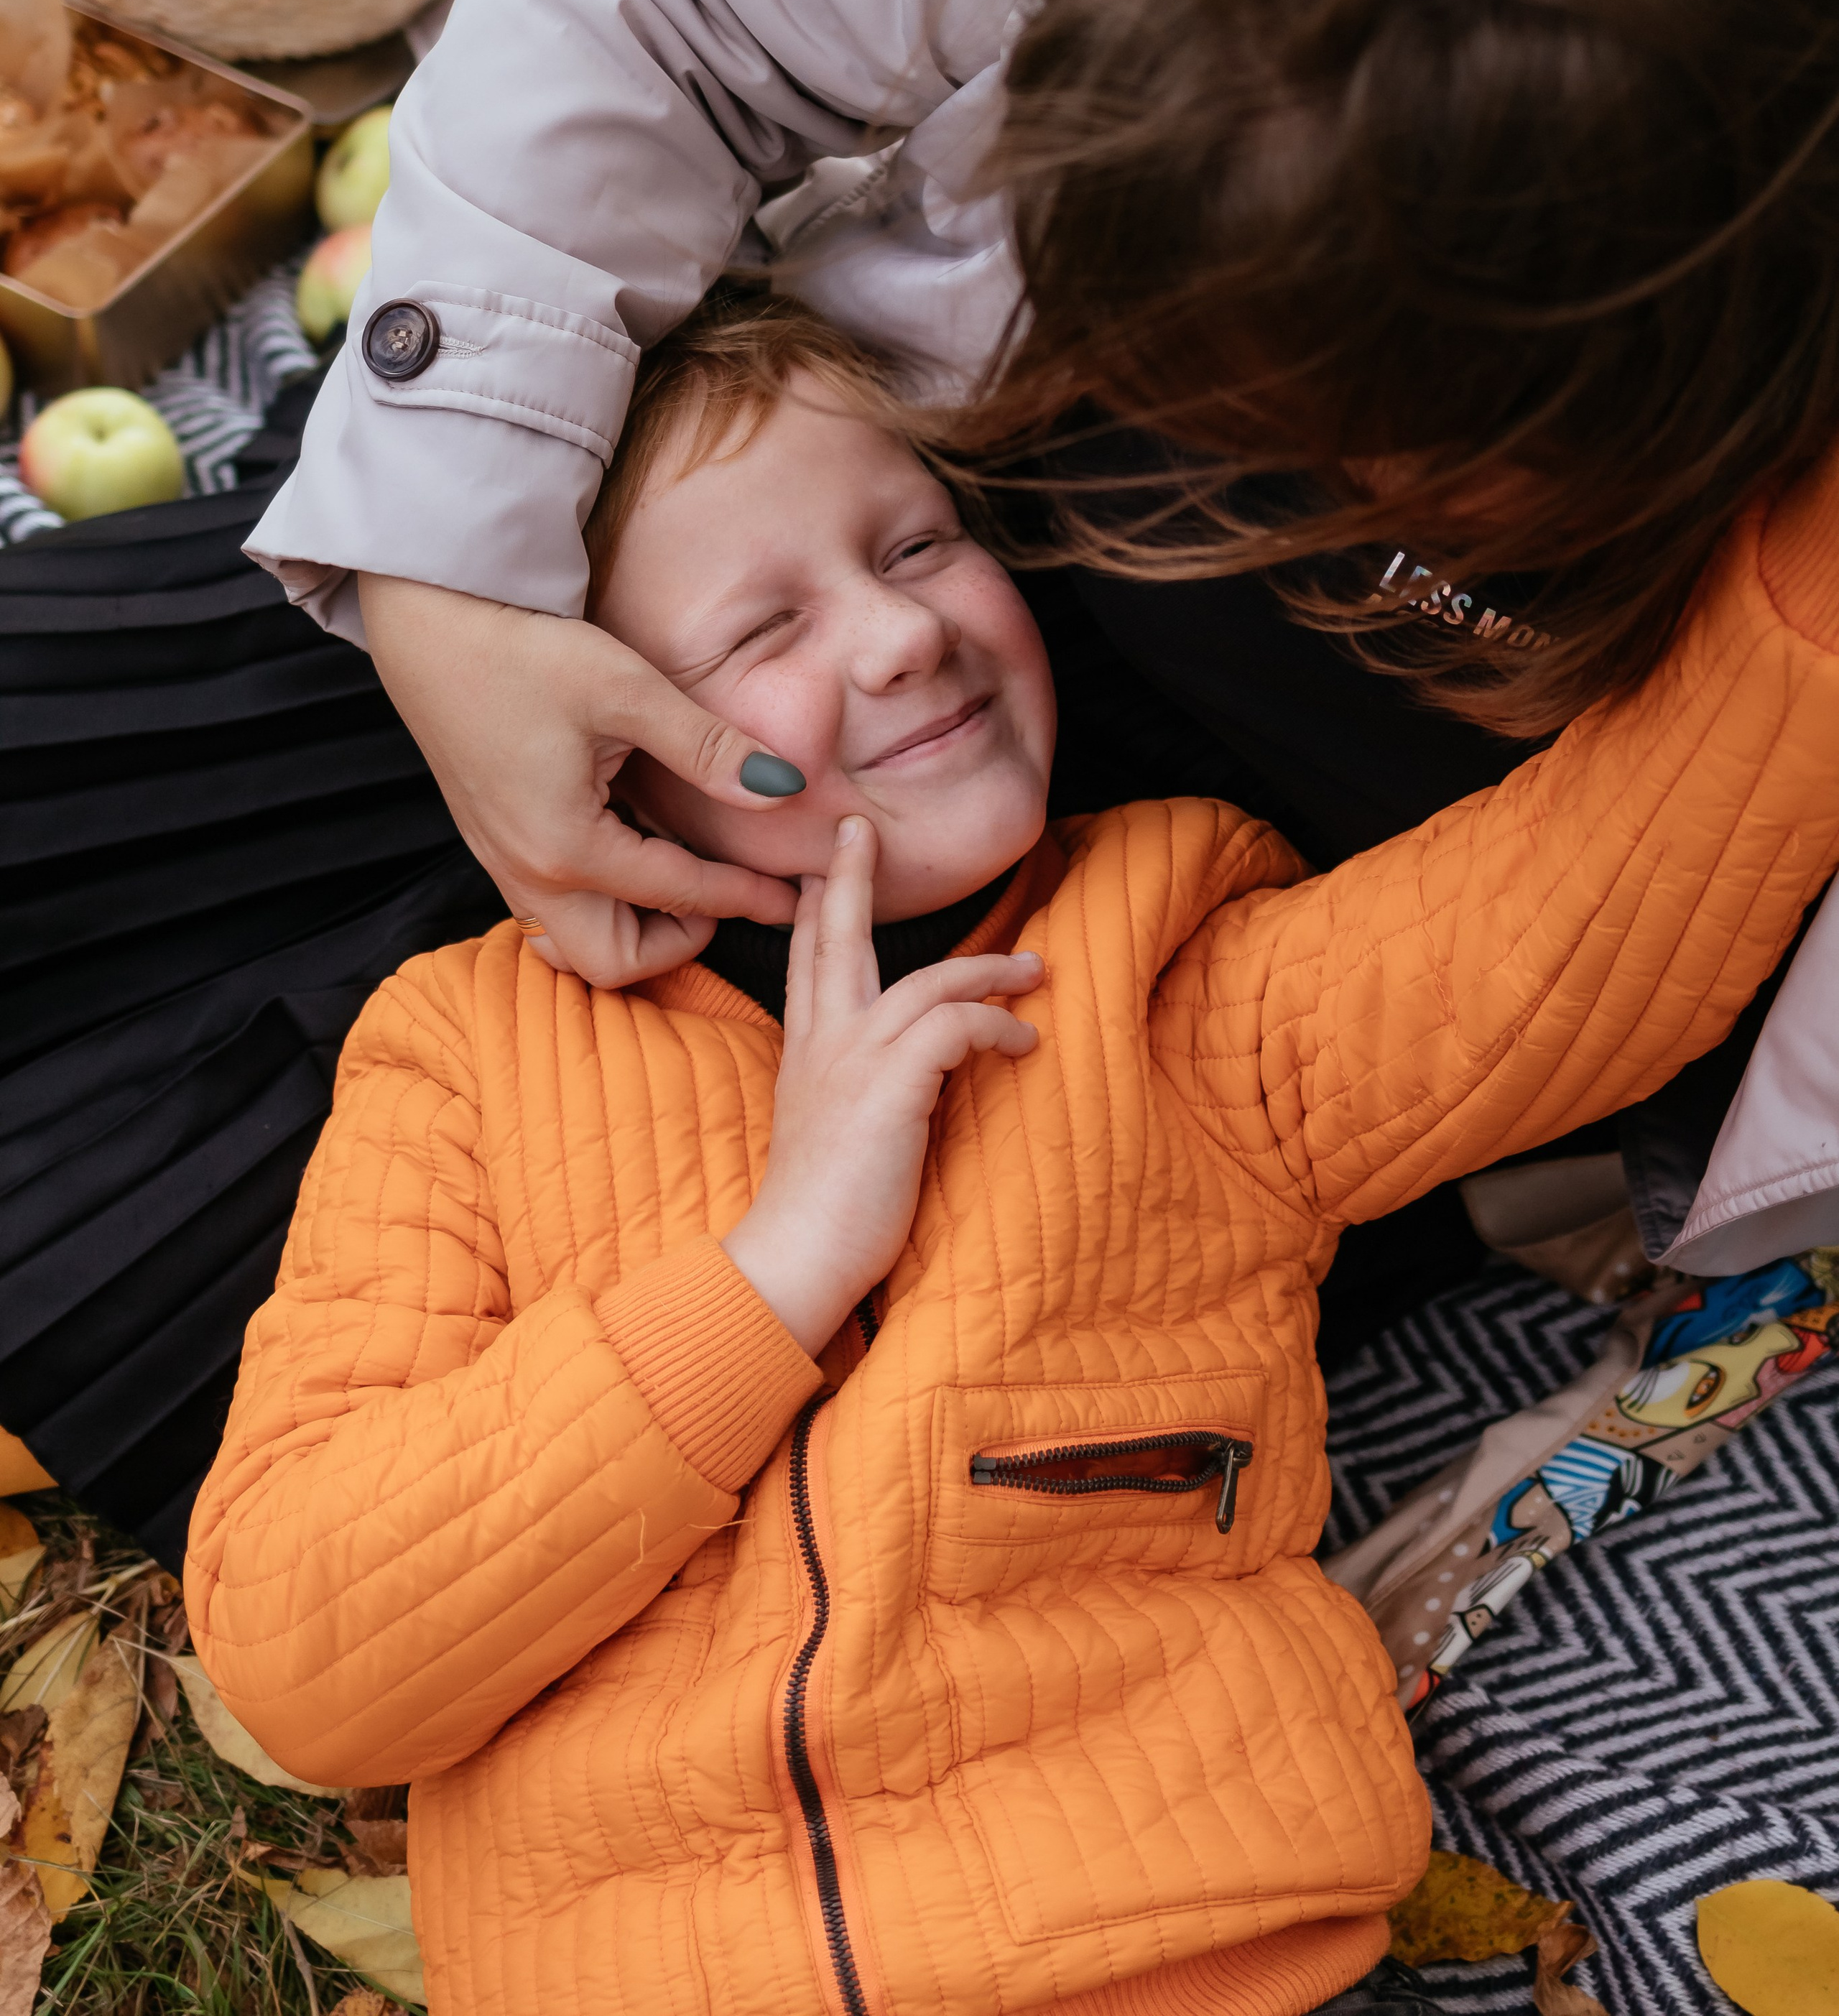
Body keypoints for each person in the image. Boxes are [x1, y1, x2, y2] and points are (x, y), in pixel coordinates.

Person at [190, 290, 1839, 2016]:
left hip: (1174, 1948)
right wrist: (773, 1274)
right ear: (588, 745)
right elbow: (312, 1660)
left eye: (917, 542)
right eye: (760, 628)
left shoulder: (1160, 955)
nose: (898, 636)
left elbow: (1579, 916)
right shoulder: (467, 1053)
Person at [247, 0, 1839, 1287]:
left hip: (1381, 933)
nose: (1240, 456)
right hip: (984, 597)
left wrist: (1732, 1220)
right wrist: (444, 582)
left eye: (1319, 430)